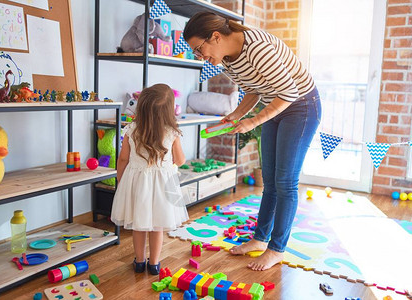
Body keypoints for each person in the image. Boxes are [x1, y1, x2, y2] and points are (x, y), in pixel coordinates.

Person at [184, 12, 321, 271]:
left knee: (285, 182)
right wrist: (234, 116)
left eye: (199, 49)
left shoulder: (257, 49)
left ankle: (277, 249)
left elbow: (290, 92)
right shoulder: (226, 59)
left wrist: (253, 121)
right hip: (275, 104)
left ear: (215, 36)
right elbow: (255, 89)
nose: (199, 57)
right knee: (269, 180)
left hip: (301, 106)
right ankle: (260, 239)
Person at [111, 83, 189, 275]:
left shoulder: (132, 129)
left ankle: (139, 262)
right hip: (163, 187)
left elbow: (122, 158)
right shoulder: (172, 132)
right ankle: (154, 264)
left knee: (139, 225)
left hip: (137, 184)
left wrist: (121, 181)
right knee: (157, 227)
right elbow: (180, 160)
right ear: (169, 110)